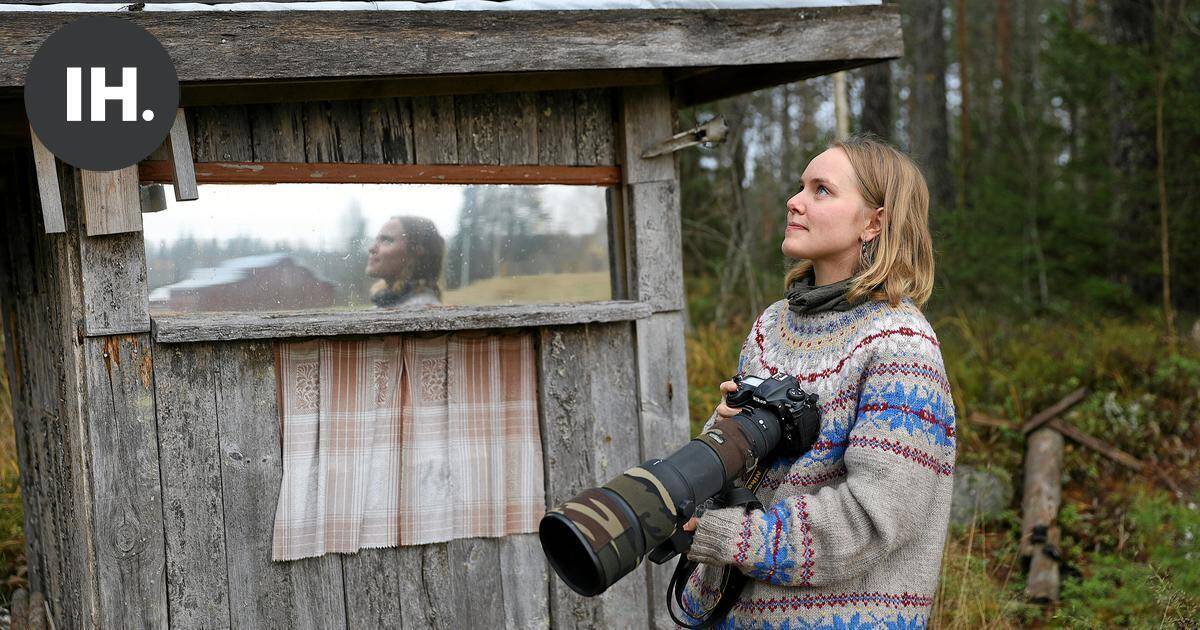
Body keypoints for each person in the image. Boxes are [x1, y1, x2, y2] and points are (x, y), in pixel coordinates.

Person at [678, 135, 957, 629]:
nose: (794, 200)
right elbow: (751, 474)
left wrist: (730, 537)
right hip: (727, 613)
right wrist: (723, 437)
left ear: (874, 222)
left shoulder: (901, 344)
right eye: (800, 186)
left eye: (821, 190)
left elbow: (873, 518)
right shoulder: (773, 325)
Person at [366, 215, 445, 308]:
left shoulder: (422, 310)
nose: (371, 249)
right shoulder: (388, 304)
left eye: (386, 240)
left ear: (416, 252)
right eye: (377, 240)